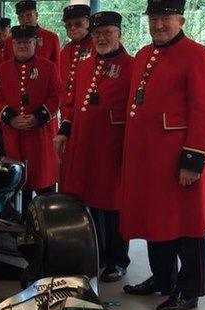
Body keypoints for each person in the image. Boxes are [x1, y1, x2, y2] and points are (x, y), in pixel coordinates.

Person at [120, 0, 205, 310]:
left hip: (179, 160)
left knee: (187, 226)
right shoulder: (144, 55)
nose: (158, 25)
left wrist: (192, 160)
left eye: (165, 18)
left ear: (181, 19)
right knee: (156, 219)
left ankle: (189, 291)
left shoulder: (198, 55)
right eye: (154, 19)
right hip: (149, 160)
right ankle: (163, 278)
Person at [54, 11, 132, 283]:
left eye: (107, 33)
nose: (101, 38)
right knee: (89, 202)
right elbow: (74, 104)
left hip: (113, 147)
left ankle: (118, 259)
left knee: (113, 205)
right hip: (84, 145)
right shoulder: (86, 65)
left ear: (119, 35)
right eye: (98, 34)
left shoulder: (131, 66)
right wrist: (64, 131)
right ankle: (95, 254)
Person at [0, 25, 61, 215]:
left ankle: (48, 226)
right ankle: (18, 228)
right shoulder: (2, 69)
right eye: (18, 42)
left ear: (34, 43)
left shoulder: (49, 67)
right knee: (17, 183)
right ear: (12, 44)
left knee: (45, 185)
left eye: (27, 42)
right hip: (14, 137)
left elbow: (56, 97)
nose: (22, 46)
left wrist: (38, 117)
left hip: (41, 138)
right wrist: (10, 117)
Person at [3, 1, 60, 67]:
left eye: (29, 15)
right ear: (18, 19)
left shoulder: (51, 38)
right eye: (21, 16)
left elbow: (56, 69)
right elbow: (6, 68)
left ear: (36, 15)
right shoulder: (9, 41)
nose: (25, 19)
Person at [59, 5, 94, 102]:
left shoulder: (99, 46)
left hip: (89, 105)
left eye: (78, 23)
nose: (73, 28)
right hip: (67, 108)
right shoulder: (65, 50)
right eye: (68, 25)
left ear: (88, 22)